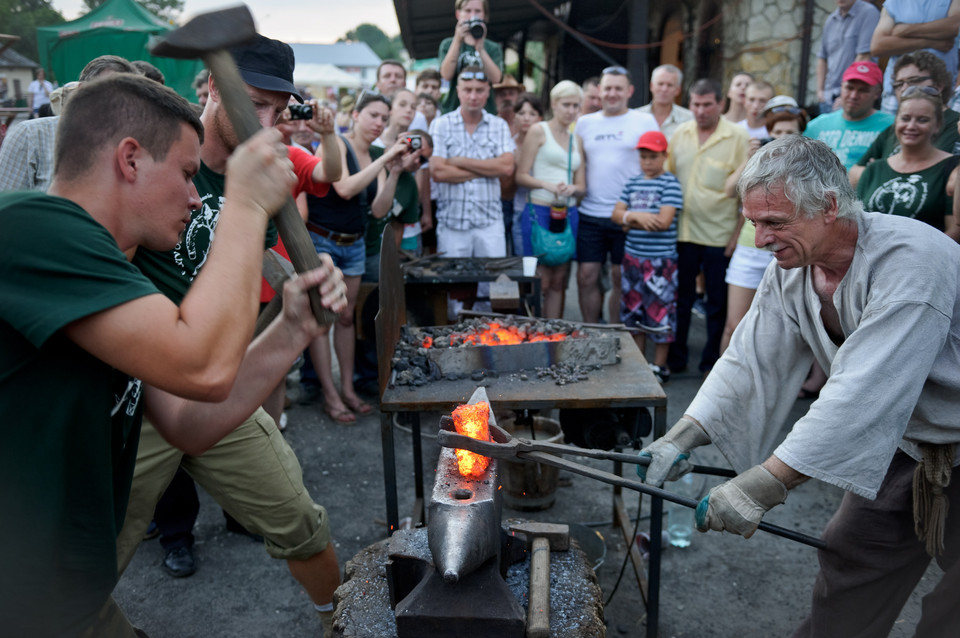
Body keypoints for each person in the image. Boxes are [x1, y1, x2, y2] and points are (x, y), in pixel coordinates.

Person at [0, 71, 345, 638]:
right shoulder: (31, 229)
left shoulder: (117, 272)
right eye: (187, 175)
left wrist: (291, 329)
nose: (194, 195)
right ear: (130, 159)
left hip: (62, 593)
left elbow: (189, 421)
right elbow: (203, 367)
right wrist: (245, 203)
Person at [638, 135, 960, 638]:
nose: (760, 239)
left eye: (775, 223)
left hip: (940, 434)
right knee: (851, 555)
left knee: (950, 617)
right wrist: (683, 436)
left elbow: (862, 395)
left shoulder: (912, 261)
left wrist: (764, 484)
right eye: (753, 223)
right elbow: (750, 360)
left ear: (830, 206)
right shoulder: (795, 267)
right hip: (908, 442)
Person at [117, 36, 348, 637]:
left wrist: (302, 280)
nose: (263, 120)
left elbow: (256, 260)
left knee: (299, 518)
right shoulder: (163, 157)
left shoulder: (268, 176)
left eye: (275, 108)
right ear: (211, 87)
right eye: (252, 103)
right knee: (94, 553)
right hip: (137, 394)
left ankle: (342, 622)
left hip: (220, 384)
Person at [304, 91, 414, 422]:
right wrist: (384, 159)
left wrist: (393, 172)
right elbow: (345, 188)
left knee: (347, 318)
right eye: (373, 115)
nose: (379, 123)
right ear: (355, 115)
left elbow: (379, 209)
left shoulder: (377, 155)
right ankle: (330, 394)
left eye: (384, 118)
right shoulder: (335, 143)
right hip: (323, 241)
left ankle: (348, 389)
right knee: (323, 321)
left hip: (353, 244)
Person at [666, 78, 749, 376]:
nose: (700, 111)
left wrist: (736, 235)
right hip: (682, 232)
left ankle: (711, 362)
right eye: (695, 104)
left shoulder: (738, 137)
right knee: (680, 298)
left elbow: (745, 193)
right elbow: (669, 179)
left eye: (706, 104)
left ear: (720, 104)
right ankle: (676, 358)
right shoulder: (681, 133)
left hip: (719, 234)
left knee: (716, 302)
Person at [721, 96, 808, 355]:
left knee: (781, 331)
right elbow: (729, 191)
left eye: (789, 133)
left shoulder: (807, 165)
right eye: (777, 132)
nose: (782, 138)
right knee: (733, 325)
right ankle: (720, 388)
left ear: (800, 135)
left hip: (787, 251)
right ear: (768, 133)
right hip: (750, 248)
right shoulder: (758, 160)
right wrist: (751, 158)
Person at [574, 66, 659, 324]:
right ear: (599, 90)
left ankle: (615, 334)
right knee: (586, 276)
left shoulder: (644, 121)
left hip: (627, 215)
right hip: (590, 212)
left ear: (629, 91)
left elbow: (656, 163)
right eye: (607, 88)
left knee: (620, 277)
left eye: (618, 88)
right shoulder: (584, 123)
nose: (612, 93)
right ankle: (591, 332)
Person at [0, 55, 137, 192]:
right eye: (108, 89)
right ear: (82, 90)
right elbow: (6, 205)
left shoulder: (135, 144)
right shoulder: (30, 135)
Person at [610, 130, 682, 383]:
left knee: (660, 311)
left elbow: (663, 222)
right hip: (632, 259)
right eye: (643, 157)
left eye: (653, 157)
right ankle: (639, 362)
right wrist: (637, 217)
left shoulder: (670, 183)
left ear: (664, 156)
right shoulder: (632, 182)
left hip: (660, 262)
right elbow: (616, 216)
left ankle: (659, 366)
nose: (647, 162)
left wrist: (629, 220)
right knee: (633, 310)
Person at [515, 82, 585, 318]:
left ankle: (554, 334)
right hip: (541, 210)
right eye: (566, 104)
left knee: (559, 281)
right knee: (540, 281)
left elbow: (583, 187)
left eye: (576, 105)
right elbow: (521, 175)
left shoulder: (577, 139)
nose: (571, 110)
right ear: (554, 104)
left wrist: (572, 188)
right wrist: (547, 184)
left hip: (567, 212)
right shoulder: (539, 130)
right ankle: (535, 334)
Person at [429, 65, 514, 257]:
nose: (473, 96)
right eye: (468, 90)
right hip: (452, 223)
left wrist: (458, 161)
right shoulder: (441, 124)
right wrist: (490, 167)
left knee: (493, 283)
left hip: (490, 223)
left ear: (488, 93)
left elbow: (507, 167)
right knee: (453, 284)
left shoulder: (498, 125)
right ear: (458, 91)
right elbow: (438, 172)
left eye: (479, 90)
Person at [856, 87, 960, 233]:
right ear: (896, 122)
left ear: (937, 126)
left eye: (922, 120)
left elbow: (955, 232)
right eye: (905, 118)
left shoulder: (953, 168)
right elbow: (856, 224)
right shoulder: (874, 169)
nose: (911, 126)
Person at [850, 51, 960, 186]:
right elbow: (853, 174)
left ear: (938, 85)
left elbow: (943, 179)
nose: (904, 89)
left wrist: (880, 172)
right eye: (898, 84)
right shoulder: (895, 128)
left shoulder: (956, 125)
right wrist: (878, 172)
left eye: (913, 81)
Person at [870, 0, 960, 114]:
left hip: (939, 91)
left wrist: (904, 30)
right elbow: (878, 46)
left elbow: (954, 27)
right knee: (899, 131)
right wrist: (931, 42)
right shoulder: (893, 3)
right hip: (897, 92)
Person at [805, 60, 893, 169]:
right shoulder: (816, 126)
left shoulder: (892, 126)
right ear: (841, 86)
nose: (853, 95)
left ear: (877, 93)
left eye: (863, 90)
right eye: (849, 88)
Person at [438, 0, 503, 114]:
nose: (473, 16)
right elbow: (446, 75)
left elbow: (496, 79)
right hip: (453, 111)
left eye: (478, 11)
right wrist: (457, 40)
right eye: (467, 11)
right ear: (458, 14)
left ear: (485, 15)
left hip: (486, 112)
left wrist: (481, 49)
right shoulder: (448, 44)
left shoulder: (492, 47)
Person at [816, 0, 881, 115]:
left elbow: (864, 56)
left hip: (851, 97)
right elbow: (822, 58)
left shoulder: (869, 13)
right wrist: (820, 91)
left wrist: (846, 95)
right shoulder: (831, 20)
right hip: (828, 97)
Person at [507, 93, 544, 256]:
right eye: (521, 113)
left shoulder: (547, 145)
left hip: (543, 207)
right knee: (521, 261)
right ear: (514, 117)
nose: (526, 118)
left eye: (532, 114)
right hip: (518, 207)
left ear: (540, 118)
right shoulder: (508, 144)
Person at [636, 64, 693, 140]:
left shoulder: (689, 119)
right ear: (651, 86)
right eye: (660, 84)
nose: (664, 89)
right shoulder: (636, 116)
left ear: (678, 90)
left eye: (670, 85)